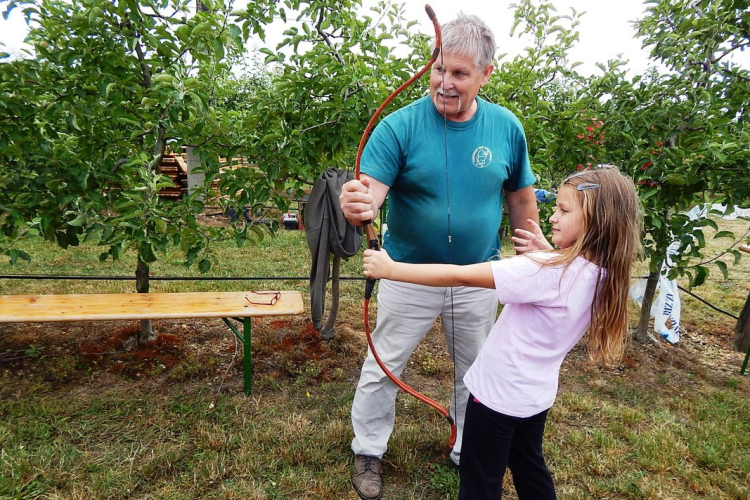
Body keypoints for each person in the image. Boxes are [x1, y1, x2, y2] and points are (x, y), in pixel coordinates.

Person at [340, 12, 539, 500]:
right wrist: (358, 204)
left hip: (476, 275)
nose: (444, 84)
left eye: (459, 74)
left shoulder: (506, 128)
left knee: (477, 370)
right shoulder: (398, 126)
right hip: (407, 273)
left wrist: (531, 257)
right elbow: (371, 195)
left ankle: (465, 447)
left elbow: (519, 197)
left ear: (486, 74)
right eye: (438, 70)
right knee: (384, 363)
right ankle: (368, 449)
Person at [362, 166, 643, 499]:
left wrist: (392, 269)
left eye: (564, 210)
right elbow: (561, 275)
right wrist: (549, 254)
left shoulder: (543, 271)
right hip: (534, 399)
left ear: (597, 222)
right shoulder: (602, 273)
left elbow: (463, 275)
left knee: (480, 477)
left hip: (496, 398)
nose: (552, 217)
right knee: (528, 464)